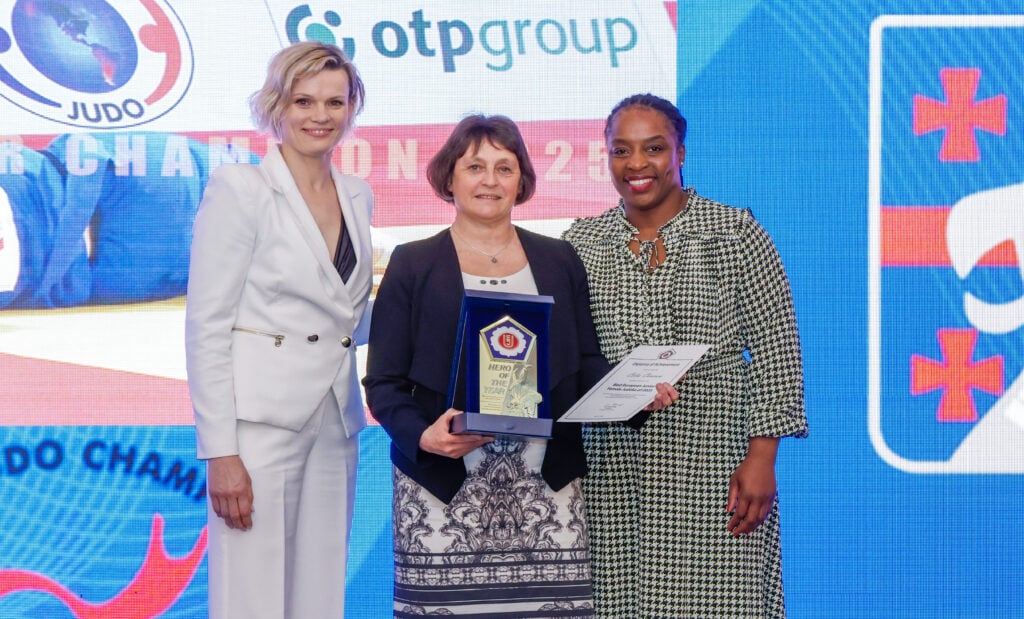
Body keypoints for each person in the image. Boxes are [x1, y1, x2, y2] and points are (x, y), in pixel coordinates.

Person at [362, 114, 674, 618]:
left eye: (504, 168)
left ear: (522, 180)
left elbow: (583, 362)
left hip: (545, 490)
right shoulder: (412, 262)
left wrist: (633, 394)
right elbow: (383, 382)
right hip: (442, 487)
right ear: (449, 177)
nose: (490, 180)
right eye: (475, 167)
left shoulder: (559, 258)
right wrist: (423, 437)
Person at [562, 93, 809, 618]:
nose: (637, 164)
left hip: (713, 456)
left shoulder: (734, 233)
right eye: (621, 150)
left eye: (654, 148)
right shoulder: (581, 243)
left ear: (680, 153)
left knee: (718, 599)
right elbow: (568, 355)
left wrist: (762, 459)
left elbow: (777, 348)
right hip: (611, 465)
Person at [184, 42, 372, 619]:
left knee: (321, 593)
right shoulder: (240, 188)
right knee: (252, 595)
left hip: (336, 420)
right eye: (304, 101)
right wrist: (221, 452)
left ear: (351, 108)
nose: (321, 115)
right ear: (276, 106)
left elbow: (345, 316)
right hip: (258, 429)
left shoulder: (358, 195)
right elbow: (207, 326)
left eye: (335, 102)